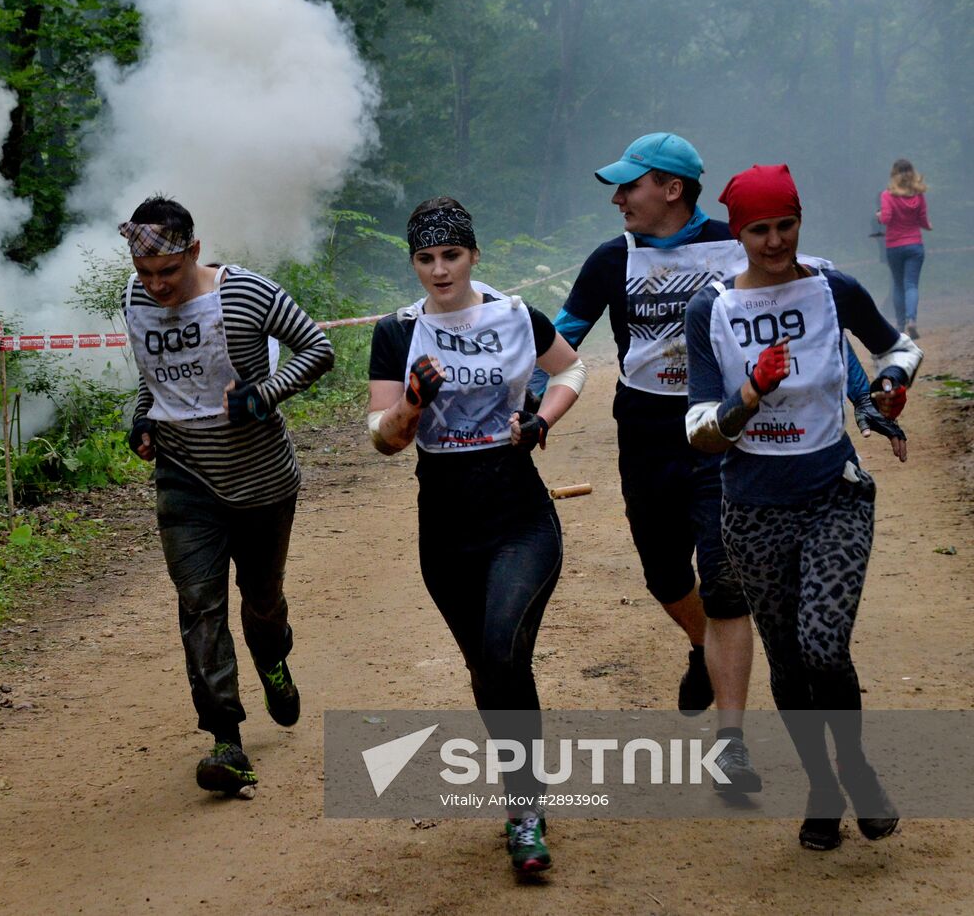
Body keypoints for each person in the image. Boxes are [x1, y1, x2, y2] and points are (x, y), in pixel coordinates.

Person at [545, 132, 898, 793]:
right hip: (648, 427)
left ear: (671, 189)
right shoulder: (609, 258)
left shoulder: (737, 243)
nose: (619, 197)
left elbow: (813, 329)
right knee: (661, 572)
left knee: (726, 579)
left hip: (733, 433)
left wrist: (862, 395)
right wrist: (528, 399)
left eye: (631, 185)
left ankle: (729, 744)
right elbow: (561, 336)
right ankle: (702, 646)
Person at [685, 163, 922, 850]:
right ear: (739, 233)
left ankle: (857, 768)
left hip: (833, 493)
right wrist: (749, 396)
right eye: (759, 229)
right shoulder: (713, 309)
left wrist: (888, 384)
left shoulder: (831, 287)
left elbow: (898, 345)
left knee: (823, 642)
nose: (774, 241)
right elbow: (700, 431)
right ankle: (821, 787)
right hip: (753, 504)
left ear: (798, 221)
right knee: (787, 660)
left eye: (785, 224)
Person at [367, 197, 587, 874]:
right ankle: (525, 798)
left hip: (520, 518)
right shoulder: (396, 332)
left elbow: (573, 368)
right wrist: (410, 404)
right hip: (446, 528)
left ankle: (525, 815)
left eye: (452, 255)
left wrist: (542, 420)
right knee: (493, 670)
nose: (440, 270)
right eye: (426, 258)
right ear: (413, 262)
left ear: (473, 255)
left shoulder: (515, 315)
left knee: (499, 650)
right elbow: (382, 439)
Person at [120, 195, 334, 795]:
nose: (157, 286)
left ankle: (272, 658)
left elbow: (319, 349)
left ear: (194, 250)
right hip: (185, 476)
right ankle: (226, 740)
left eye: (168, 271)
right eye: (145, 274)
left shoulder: (247, 294)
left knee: (261, 601)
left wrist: (263, 394)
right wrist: (142, 420)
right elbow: (152, 378)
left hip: (262, 479)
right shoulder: (135, 300)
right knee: (199, 606)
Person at [877, 159, 932, 338]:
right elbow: (923, 219)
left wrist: (879, 216)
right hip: (915, 245)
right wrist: (928, 226)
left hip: (894, 246)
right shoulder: (918, 195)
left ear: (893, 174)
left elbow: (886, 219)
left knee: (898, 285)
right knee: (911, 285)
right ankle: (912, 320)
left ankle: (900, 324)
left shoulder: (887, 195)